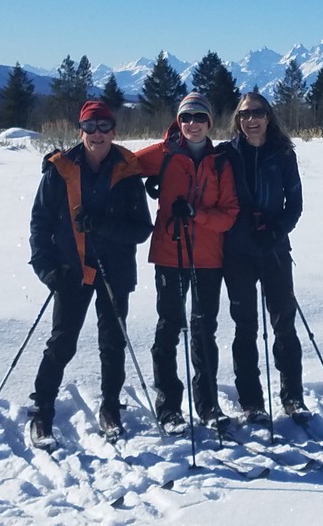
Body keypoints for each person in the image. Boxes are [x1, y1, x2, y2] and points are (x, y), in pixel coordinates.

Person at [27, 100, 152, 449]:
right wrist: (46, 268)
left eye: (103, 127)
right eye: (90, 127)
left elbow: (142, 228)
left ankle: (110, 407)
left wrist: (105, 226)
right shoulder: (60, 168)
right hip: (71, 270)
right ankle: (42, 412)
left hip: (115, 271)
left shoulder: (128, 170)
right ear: (80, 130)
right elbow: (39, 223)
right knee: (62, 343)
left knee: (113, 343)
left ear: (114, 131)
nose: (97, 134)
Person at [136, 92, 239, 433]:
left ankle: (208, 405)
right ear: (177, 121)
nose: (192, 124)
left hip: (209, 258)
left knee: (203, 331)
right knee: (169, 328)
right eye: (185, 117)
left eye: (199, 117)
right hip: (170, 252)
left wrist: (197, 214)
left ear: (210, 122)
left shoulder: (221, 161)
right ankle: (169, 408)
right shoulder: (164, 154)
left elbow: (229, 215)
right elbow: (121, 166)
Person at [216, 92, 309, 425]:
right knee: (245, 327)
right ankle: (251, 401)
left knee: (284, 323)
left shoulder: (283, 155)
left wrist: (275, 231)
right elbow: (188, 158)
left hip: (274, 249)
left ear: (269, 117)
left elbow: (294, 205)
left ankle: (293, 396)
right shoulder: (226, 154)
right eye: (244, 115)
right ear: (237, 121)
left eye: (257, 113)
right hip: (237, 251)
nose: (250, 120)